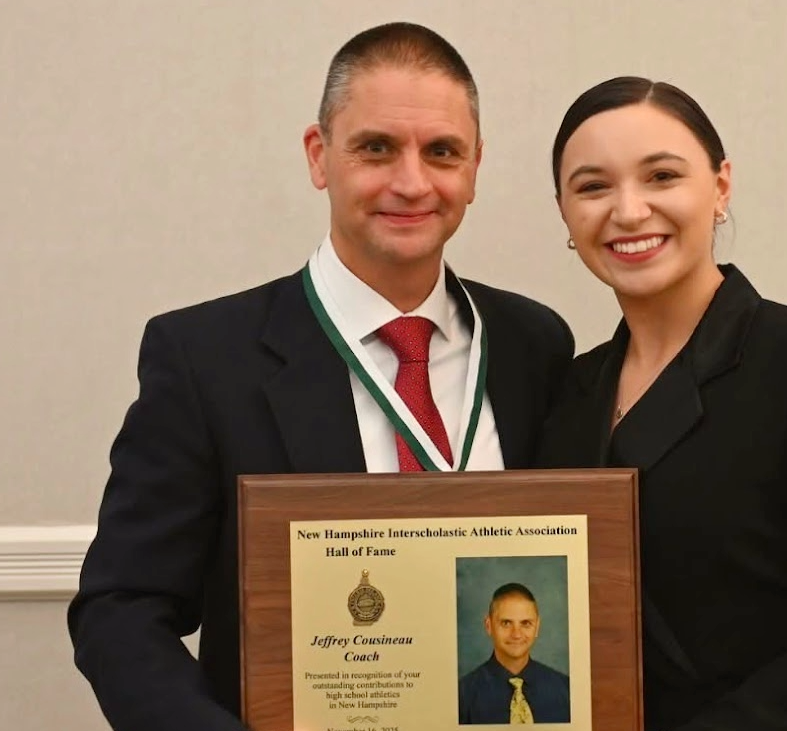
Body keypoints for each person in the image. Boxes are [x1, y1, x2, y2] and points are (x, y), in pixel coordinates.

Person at [67, 23, 573, 731]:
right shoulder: (205, 355)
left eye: (441, 152)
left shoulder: (534, 344)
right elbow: (121, 610)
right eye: (375, 147)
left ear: (475, 167)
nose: (411, 181)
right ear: (319, 155)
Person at [536, 77, 787, 731]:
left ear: (719, 187)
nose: (629, 210)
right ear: (564, 212)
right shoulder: (568, 390)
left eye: (661, 176)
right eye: (592, 186)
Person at [459, 583, 571, 724]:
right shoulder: (462, 696)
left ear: (537, 627)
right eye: (506, 623)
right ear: (488, 626)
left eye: (525, 623)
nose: (516, 634)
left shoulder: (566, 690)